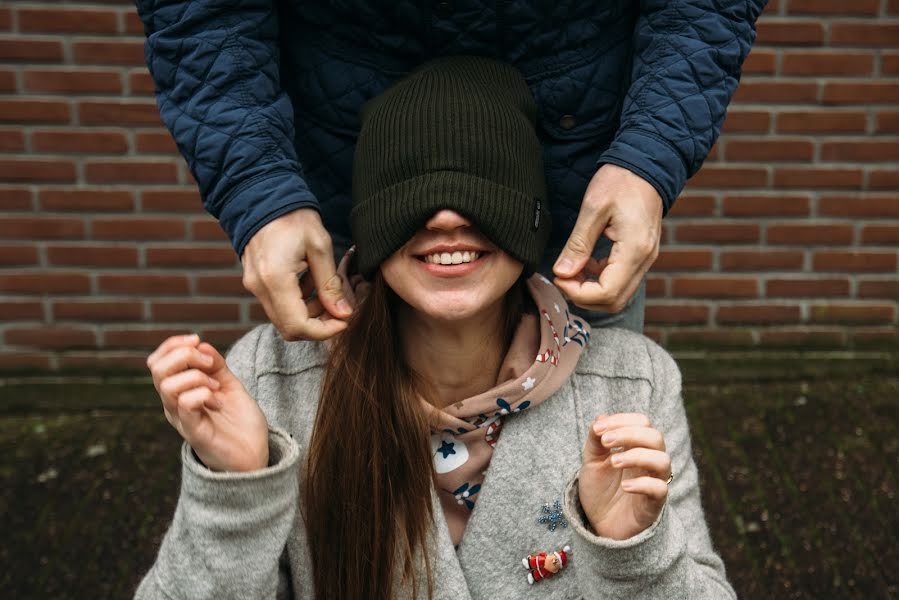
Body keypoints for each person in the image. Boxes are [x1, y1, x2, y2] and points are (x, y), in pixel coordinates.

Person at [137, 56, 734, 600]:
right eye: (411, 190)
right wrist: (235, 493)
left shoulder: (631, 382)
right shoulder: (274, 384)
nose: (447, 216)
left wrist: (633, 550)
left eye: (482, 187)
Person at [134, 0, 767, 341]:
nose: (449, 216)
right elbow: (202, 14)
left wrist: (649, 155)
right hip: (339, 185)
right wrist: (258, 188)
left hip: (576, 187)